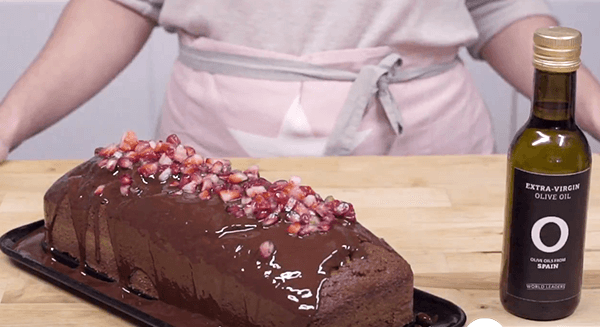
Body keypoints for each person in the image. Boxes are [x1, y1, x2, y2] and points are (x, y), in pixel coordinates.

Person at [1, 0, 599, 160]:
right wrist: (11, 120)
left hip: (426, 158)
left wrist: (594, 110)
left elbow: (500, 9)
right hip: (215, 157)